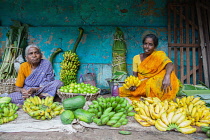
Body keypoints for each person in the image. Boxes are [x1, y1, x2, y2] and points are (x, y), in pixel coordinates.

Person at [119, 34, 180, 101]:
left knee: (166, 73)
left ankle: (155, 96)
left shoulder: (159, 55)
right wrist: (133, 85)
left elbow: (170, 64)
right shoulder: (136, 58)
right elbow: (135, 76)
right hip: (142, 85)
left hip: (155, 85)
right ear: (143, 44)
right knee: (120, 91)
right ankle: (146, 95)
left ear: (155, 46)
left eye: (150, 44)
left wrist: (167, 76)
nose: (147, 47)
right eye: (145, 44)